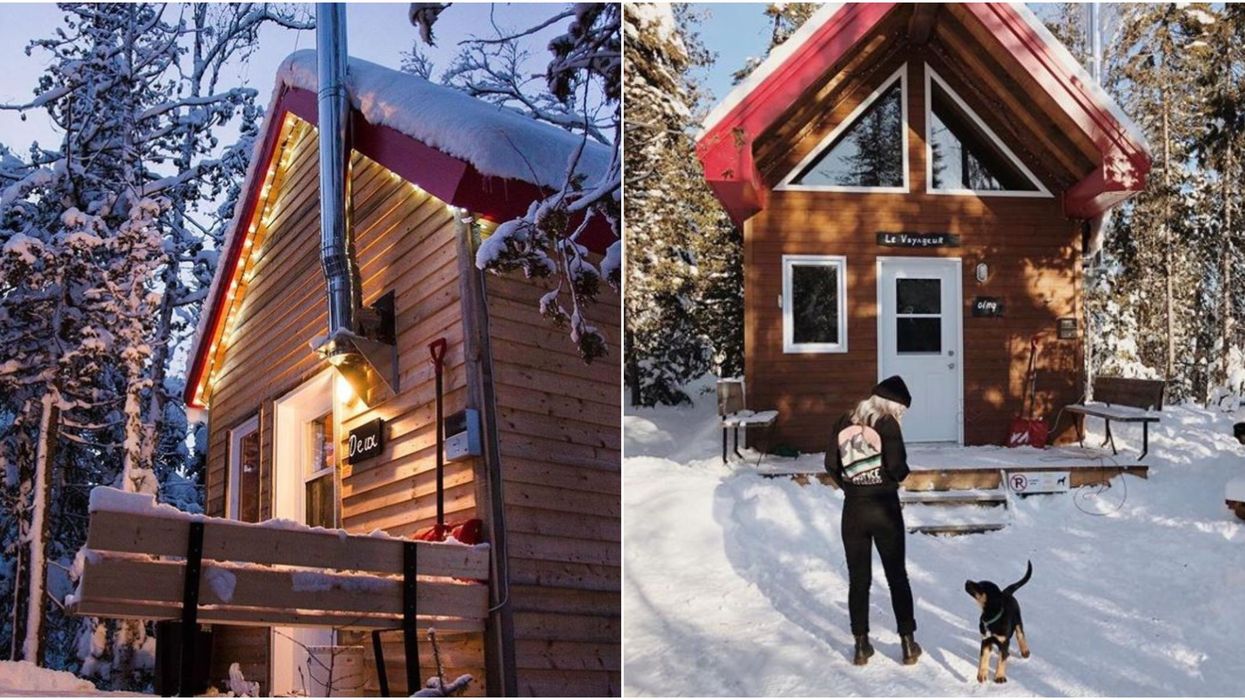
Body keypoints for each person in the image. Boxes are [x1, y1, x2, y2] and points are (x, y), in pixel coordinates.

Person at [825, 375, 921, 666]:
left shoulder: (844, 420)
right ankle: (907, 644)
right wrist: (898, 478)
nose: (901, 415)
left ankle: (861, 645)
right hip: (885, 510)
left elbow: (831, 464)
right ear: (890, 404)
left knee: (858, 580)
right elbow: (897, 466)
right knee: (897, 577)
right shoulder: (887, 423)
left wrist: (852, 489)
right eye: (901, 409)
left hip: (853, 510)